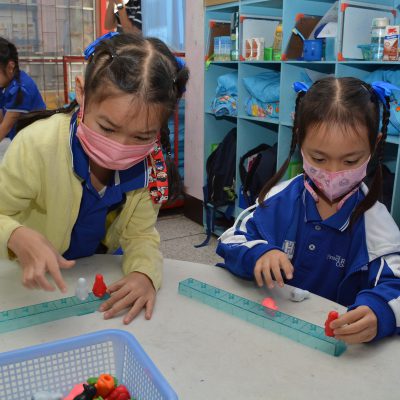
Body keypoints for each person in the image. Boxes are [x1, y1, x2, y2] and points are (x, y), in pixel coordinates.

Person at [0, 32, 189, 324]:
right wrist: (15, 234)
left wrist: (144, 274)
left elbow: (141, 235)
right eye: (107, 128)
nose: (120, 149)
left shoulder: (149, 165)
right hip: (29, 280)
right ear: (82, 93)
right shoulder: (37, 145)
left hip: (94, 269)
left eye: (141, 136)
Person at [217, 77, 400, 344]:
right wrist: (259, 253)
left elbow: (396, 286)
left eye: (350, 160)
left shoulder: (377, 224)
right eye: (319, 158)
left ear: (375, 145)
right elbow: (230, 240)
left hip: (332, 347)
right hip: (268, 332)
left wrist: (379, 312)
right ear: (299, 137)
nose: (333, 172)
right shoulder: (278, 200)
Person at [0, 37, 45, 142]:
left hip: (35, 142)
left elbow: (6, 127)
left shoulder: (22, 89)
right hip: (18, 140)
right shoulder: (4, 84)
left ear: (10, 67)